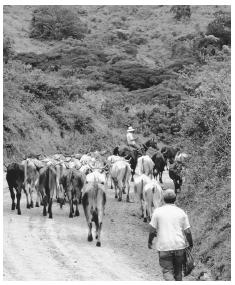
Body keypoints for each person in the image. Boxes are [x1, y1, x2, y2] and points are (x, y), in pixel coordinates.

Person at [148, 189, 193, 281]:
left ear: (163, 199)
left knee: (167, 271)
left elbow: (152, 230)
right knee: (178, 272)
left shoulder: (157, 212)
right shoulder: (181, 212)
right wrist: (191, 244)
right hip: (179, 246)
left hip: (164, 247)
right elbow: (188, 232)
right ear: (175, 199)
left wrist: (150, 241)